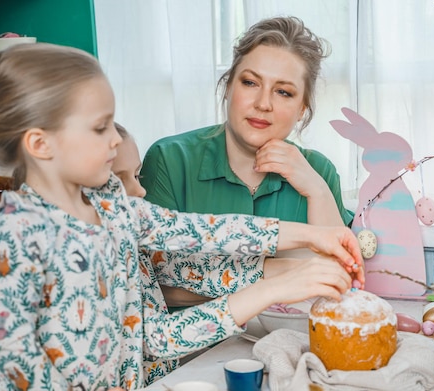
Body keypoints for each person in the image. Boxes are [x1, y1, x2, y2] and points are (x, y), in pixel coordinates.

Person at [0, 42, 363, 390]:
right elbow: (16, 362)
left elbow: (199, 233)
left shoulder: (111, 204)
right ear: (41, 144)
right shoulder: (18, 233)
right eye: (101, 128)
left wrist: (310, 236)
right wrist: (278, 278)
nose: (117, 138)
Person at [140, 16, 354, 306]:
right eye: (251, 82)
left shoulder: (320, 172)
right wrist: (277, 279)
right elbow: (155, 284)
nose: (263, 103)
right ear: (228, 86)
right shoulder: (169, 159)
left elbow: (336, 285)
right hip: (200, 350)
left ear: (302, 108)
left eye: (283, 92)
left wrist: (316, 189)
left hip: (294, 341)